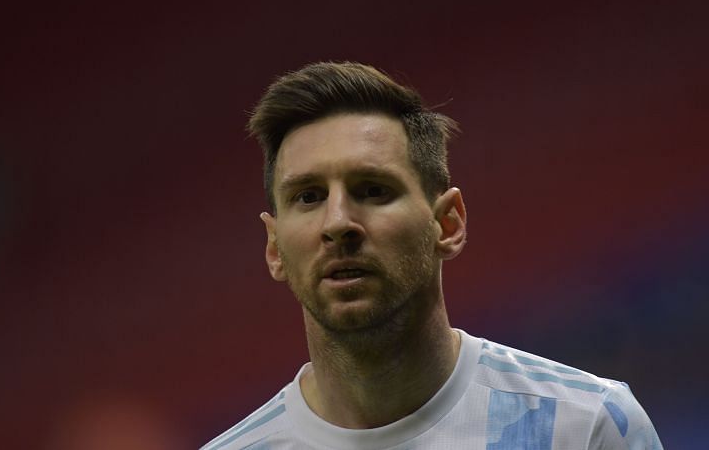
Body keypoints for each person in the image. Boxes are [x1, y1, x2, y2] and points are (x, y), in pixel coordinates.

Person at [201, 62, 662, 450]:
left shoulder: (586, 428)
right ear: (274, 247)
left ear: (448, 223)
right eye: (308, 197)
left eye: (373, 190)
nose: (338, 222)